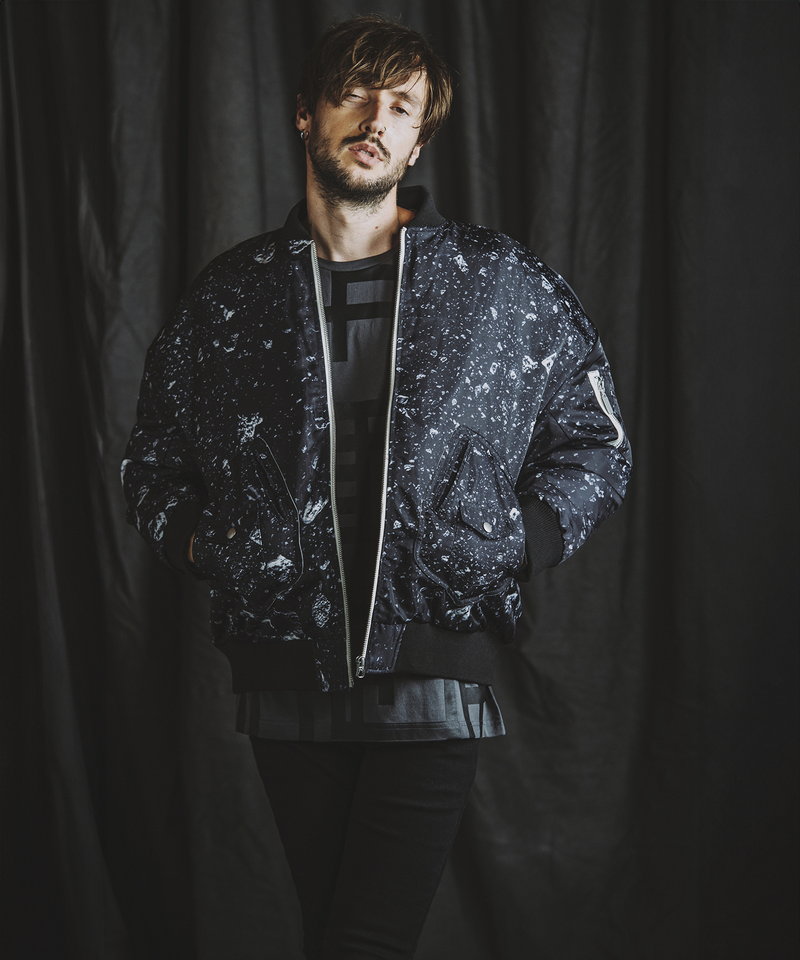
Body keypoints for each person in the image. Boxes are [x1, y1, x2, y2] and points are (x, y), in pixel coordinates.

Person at [120, 14, 632, 960]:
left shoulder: (497, 284)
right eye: (355, 93)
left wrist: (513, 542)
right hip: (285, 667)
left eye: (402, 105)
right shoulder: (231, 298)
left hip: (434, 667)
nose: (376, 117)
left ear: (419, 139)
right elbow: (152, 459)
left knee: (363, 940)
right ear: (305, 115)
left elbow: (595, 442)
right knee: (335, 937)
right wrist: (208, 545)